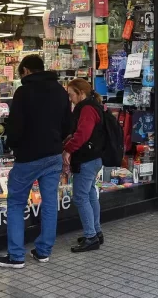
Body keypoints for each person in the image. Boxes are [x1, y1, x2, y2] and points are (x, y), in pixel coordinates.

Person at [0, 55, 71, 268]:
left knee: (16, 203)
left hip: (28, 156)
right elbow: (68, 125)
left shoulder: (23, 92)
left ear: (26, 71)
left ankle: (16, 256)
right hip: (53, 155)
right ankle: (43, 251)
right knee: (49, 203)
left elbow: (15, 127)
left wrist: (13, 145)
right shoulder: (59, 90)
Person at [64, 79, 105, 253]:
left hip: (86, 159)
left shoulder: (87, 109)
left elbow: (82, 135)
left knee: (81, 197)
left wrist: (68, 149)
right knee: (90, 194)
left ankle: (91, 237)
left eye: (71, 94)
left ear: (81, 93)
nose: (70, 98)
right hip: (94, 158)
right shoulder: (93, 106)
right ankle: (96, 231)